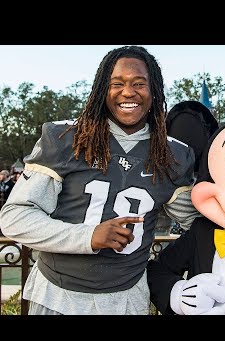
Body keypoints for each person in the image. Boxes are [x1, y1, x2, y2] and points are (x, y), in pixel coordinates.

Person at [0, 45, 200, 315]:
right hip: (57, 294)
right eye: (117, 83)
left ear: (154, 91)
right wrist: (88, 236)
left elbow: (197, 224)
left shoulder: (173, 154)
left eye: (139, 83)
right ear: (101, 90)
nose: (128, 92)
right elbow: (15, 217)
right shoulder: (65, 138)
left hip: (126, 297)